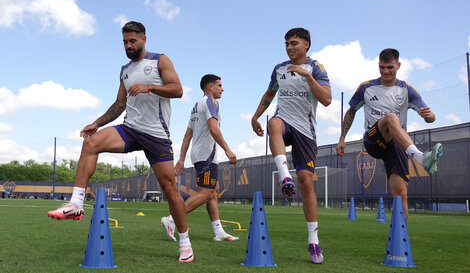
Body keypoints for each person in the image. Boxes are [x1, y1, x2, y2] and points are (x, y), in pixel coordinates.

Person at [47, 21, 194, 262]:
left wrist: (148, 87)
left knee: (170, 190)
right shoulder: (124, 70)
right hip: (130, 129)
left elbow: (177, 90)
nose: (128, 46)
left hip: (157, 136)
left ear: (144, 39)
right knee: (91, 142)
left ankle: (185, 244)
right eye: (125, 42)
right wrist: (97, 122)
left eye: (132, 41)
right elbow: (119, 104)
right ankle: (76, 204)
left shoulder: (160, 60)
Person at [251, 28, 331, 264]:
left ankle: (314, 242)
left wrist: (308, 77)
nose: (289, 47)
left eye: (294, 43)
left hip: (306, 131)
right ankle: (285, 176)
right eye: (286, 44)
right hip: (284, 122)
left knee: (306, 183)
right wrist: (255, 117)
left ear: (306, 44)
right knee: (274, 124)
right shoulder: (279, 68)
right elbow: (269, 94)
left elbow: (326, 99)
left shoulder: (316, 68)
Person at [335, 48, 443, 222]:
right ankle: (422, 159)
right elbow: (351, 111)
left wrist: (430, 116)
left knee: (401, 194)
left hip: (397, 145)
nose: (385, 71)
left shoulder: (407, 90)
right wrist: (342, 138)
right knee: (391, 118)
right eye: (382, 67)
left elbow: (430, 117)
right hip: (373, 140)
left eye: (390, 67)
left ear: (398, 65)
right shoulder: (366, 87)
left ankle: (399, 244)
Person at [161, 74, 239, 242]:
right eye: (219, 85)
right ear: (210, 88)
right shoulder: (210, 103)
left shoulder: (197, 105)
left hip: (199, 154)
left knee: (213, 191)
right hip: (206, 155)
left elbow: (187, 135)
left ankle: (218, 231)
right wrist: (228, 150)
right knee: (206, 193)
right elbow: (213, 128)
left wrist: (182, 159)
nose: (222, 88)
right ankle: (171, 219)